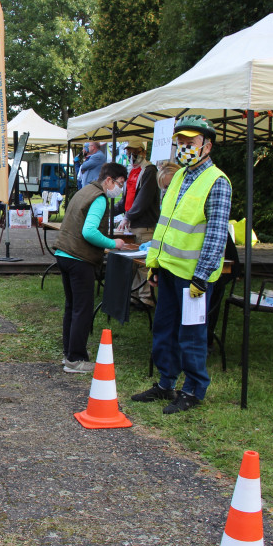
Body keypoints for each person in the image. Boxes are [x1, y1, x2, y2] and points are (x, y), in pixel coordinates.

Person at [132, 116, 232, 414]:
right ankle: (166, 383)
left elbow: (215, 234)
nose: (185, 148)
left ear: (207, 146)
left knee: (191, 334)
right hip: (168, 269)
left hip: (193, 278)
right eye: (182, 143)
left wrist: (202, 277)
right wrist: (155, 266)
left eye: (191, 143)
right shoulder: (178, 177)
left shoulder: (217, 182)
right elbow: (165, 227)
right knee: (164, 329)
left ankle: (192, 390)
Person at [53, 162, 134, 374]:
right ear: (109, 180)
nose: (119, 188)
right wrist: (112, 243)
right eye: (119, 183)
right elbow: (89, 232)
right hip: (79, 258)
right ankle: (76, 359)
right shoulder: (98, 198)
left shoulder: (84, 191)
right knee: (82, 309)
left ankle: (68, 354)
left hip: (64, 253)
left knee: (72, 307)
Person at [117, 148, 160, 307]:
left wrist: (128, 216)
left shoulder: (149, 171)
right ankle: (134, 296)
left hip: (144, 225)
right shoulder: (133, 172)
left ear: (143, 151)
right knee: (134, 263)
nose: (131, 156)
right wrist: (111, 211)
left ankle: (146, 299)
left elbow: (143, 200)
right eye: (128, 152)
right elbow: (126, 200)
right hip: (133, 225)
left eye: (135, 152)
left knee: (143, 265)